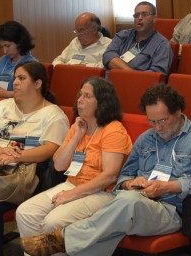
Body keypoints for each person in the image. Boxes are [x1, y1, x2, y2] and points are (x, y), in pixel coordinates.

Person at [22, 83, 191, 256]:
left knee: (126, 202)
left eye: (163, 120)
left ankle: (65, 237)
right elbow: (123, 177)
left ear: (178, 112)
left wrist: (169, 187)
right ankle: (67, 241)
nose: (158, 128)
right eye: (152, 121)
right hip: (134, 205)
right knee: (101, 234)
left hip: (172, 211)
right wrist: (130, 183)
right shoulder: (146, 138)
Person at [17, 77, 132, 239]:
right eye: (80, 95)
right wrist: (77, 136)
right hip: (72, 184)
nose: (80, 100)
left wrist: (72, 194)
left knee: (53, 221)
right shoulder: (77, 126)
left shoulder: (113, 130)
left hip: (102, 193)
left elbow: (110, 175)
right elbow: (59, 165)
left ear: (103, 102)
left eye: (87, 96)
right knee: (25, 212)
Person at [0, 61, 70, 252]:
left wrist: (16, 157)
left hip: (23, 176)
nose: (15, 83)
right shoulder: (4, 106)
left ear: (37, 84)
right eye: (14, 78)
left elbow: (51, 149)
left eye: (21, 78)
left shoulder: (53, 115)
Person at [102, 1, 173, 76]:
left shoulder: (162, 44)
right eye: (136, 15)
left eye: (145, 14)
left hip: (138, 85)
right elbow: (108, 55)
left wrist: (132, 77)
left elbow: (157, 74)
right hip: (109, 81)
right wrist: (131, 73)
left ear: (154, 19)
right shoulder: (122, 35)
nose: (139, 18)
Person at [0, 20, 38, 99]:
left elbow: (33, 94)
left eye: (7, 46)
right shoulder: (3, 60)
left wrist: (8, 94)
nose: (4, 51)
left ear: (19, 42)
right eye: (2, 47)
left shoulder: (31, 64)